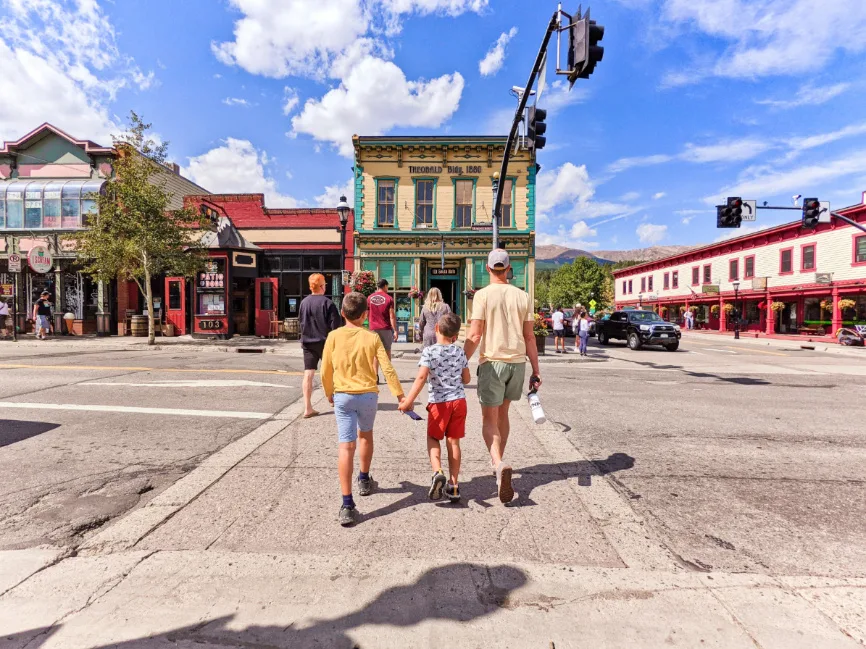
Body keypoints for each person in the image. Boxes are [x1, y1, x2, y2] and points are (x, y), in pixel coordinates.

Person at [321, 291, 406, 527]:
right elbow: (387, 368)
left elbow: (325, 369)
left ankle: (347, 504)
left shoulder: (333, 336)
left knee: (346, 445)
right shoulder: (371, 337)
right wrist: (400, 395)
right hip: (368, 394)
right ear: (365, 315)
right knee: (365, 435)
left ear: (342, 313)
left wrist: (329, 391)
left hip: (344, 395)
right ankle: (364, 478)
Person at [464, 249, 541, 504]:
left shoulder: (483, 295)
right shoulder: (523, 296)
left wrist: (460, 361)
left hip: (493, 363)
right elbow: (530, 337)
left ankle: (498, 464)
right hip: (517, 364)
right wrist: (536, 370)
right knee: (504, 415)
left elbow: (475, 335)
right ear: (508, 269)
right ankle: (498, 464)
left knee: (489, 418)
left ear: (487, 269)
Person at [399, 312, 469, 503]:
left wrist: (407, 402)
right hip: (459, 402)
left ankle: (437, 471)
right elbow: (467, 378)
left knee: (433, 438)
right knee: (454, 442)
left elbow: (421, 378)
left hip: (439, 403)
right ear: (455, 336)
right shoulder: (460, 351)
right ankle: (454, 486)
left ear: (436, 328)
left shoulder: (429, 352)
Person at [298, 273, 342, 419]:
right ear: (322, 286)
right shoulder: (328, 303)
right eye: (325, 285)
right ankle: (333, 399)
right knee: (332, 372)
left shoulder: (304, 303)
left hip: (308, 342)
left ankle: (307, 407)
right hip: (326, 342)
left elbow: (301, 322)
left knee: (308, 374)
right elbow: (335, 327)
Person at [367, 279, 397, 380]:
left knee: (375, 353)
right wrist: (395, 330)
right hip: (385, 328)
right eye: (387, 287)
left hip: (373, 328)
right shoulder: (389, 298)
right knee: (387, 351)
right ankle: (387, 375)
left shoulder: (369, 298)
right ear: (385, 286)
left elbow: (366, 314)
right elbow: (391, 315)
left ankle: (375, 376)